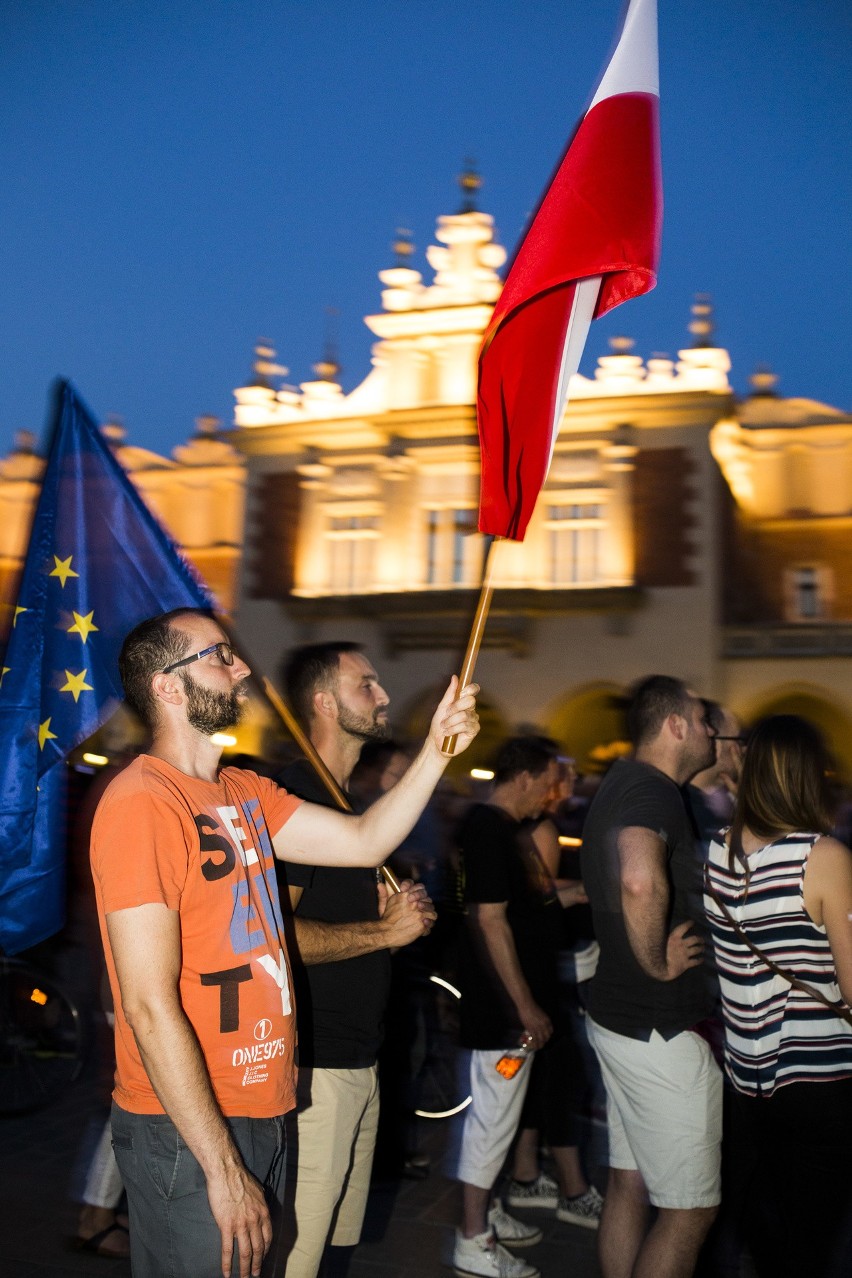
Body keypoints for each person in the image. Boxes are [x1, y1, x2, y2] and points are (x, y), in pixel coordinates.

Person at [89, 608, 479, 1278]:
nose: (243, 668)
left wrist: (438, 751)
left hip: (267, 1103)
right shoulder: (143, 802)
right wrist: (222, 1165)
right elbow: (148, 1006)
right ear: (168, 688)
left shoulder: (243, 792)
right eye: (220, 657)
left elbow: (363, 843)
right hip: (191, 1123)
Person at [274, 643, 436, 1278]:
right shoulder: (295, 796)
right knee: (296, 1258)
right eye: (365, 684)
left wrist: (387, 912)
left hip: (358, 1060)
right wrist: (380, 933)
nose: (383, 695)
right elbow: (272, 936)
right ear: (323, 702)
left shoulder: (346, 802)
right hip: (312, 1066)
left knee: (336, 1252)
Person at [580, 676, 721, 1278]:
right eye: (704, 718)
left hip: (621, 1019)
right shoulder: (652, 791)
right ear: (677, 725)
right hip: (659, 1031)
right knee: (689, 1213)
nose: (713, 730)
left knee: (627, 1182)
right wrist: (658, 962)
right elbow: (638, 877)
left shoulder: (624, 783)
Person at [704, 715, 852, 1278]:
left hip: (746, 1078)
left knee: (768, 1226)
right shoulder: (823, 857)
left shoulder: (719, 852)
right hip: (819, 1080)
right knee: (811, 1241)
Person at [453, 735, 566, 1278]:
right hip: (502, 1014)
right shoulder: (487, 831)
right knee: (492, 1120)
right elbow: (490, 919)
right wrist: (524, 1006)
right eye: (546, 784)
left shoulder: (501, 831)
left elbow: (520, 908)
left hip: (506, 1009)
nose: (550, 795)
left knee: (500, 1114)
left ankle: (488, 1213)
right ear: (522, 777)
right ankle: (473, 1238)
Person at [505, 755, 603, 1230]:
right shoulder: (540, 827)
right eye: (561, 776)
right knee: (561, 1075)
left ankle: (526, 1176)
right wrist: (586, 889)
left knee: (533, 1076)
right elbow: (538, 897)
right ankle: (572, 1188)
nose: (567, 784)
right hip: (538, 970)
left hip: (524, 970)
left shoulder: (508, 825)